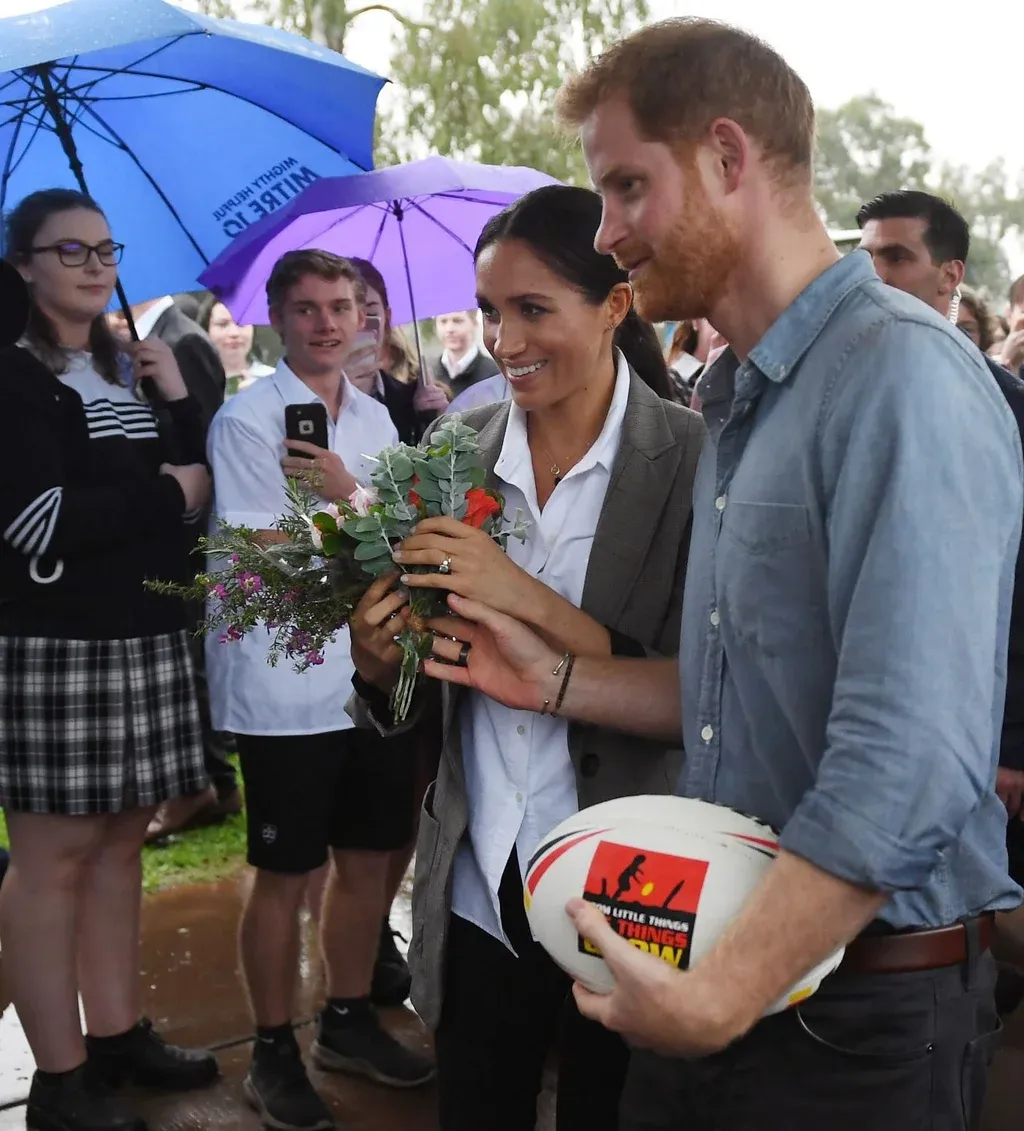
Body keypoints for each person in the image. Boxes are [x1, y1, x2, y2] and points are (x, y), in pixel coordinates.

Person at [415, 20, 1023, 1130]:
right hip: (720, 973)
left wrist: (724, 990)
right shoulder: (738, 399)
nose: (607, 233)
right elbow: (728, 700)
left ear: (727, 157)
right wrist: (549, 680)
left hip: (854, 1017)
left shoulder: (898, 377)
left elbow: (914, 761)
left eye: (626, 188)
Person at [349, 182, 705, 1131]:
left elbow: (705, 690)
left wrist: (516, 591)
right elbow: (419, 688)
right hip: (479, 872)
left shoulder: (692, 460)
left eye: (533, 309)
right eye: (490, 311)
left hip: (632, 883)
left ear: (615, 305)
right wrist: (377, 663)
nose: (505, 341)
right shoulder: (451, 448)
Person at [0, 190, 218, 1131]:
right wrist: (165, 493)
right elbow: (36, 521)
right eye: (70, 250)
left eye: (105, 249)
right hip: (59, 647)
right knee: (52, 859)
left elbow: (206, 484)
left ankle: (118, 1031)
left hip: (144, 631)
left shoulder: (127, 367)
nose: (95, 265)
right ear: (23, 265)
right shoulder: (14, 377)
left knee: (123, 839)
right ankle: (60, 1077)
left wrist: (176, 399)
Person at [206, 249, 434, 1131]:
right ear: (277, 317)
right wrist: (362, 508)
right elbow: (273, 550)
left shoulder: (376, 418)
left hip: (370, 670)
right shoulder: (246, 421)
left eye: (343, 305)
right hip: (283, 681)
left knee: (372, 854)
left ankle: (346, 1016)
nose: (329, 323)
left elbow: (410, 535)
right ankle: (273, 1048)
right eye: (307, 308)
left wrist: (353, 501)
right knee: (286, 869)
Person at [857, 189, 1024, 1014]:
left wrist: (1011, 740)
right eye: (866, 257)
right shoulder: (840, 390)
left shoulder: (1005, 405)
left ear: (950, 275)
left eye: (896, 256)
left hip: (984, 741)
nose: (875, 274)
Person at [345, 258, 449, 444]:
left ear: (387, 317)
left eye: (371, 314)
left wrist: (435, 423)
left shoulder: (410, 400)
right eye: (347, 312)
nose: (360, 325)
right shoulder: (309, 400)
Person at [197, 296, 274, 398]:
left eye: (241, 323)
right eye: (223, 324)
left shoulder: (277, 381)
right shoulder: (189, 385)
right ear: (206, 330)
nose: (234, 333)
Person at [430, 309, 501, 396]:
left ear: (474, 323)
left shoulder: (494, 372)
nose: (449, 329)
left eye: (457, 321)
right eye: (443, 321)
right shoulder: (428, 373)